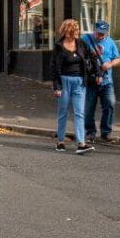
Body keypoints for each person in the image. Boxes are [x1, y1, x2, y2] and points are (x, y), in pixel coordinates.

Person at [51, 19, 97, 154]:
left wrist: (97, 72)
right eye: (75, 31)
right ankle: (60, 142)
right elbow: (53, 67)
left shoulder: (81, 44)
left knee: (79, 112)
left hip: (79, 81)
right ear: (68, 32)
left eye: (77, 30)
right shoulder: (59, 46)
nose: (77, 33)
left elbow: (93, 57)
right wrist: (57, 86)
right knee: (63, 112)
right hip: (64, 81)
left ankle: (81, 143)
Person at [81, 20, 120, 143]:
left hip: (106, 81)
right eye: (99, 33)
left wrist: (110, 64)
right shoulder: (85, 39)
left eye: (103, 34)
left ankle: (106, 133)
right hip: (90, 81)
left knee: (110, 104)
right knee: (88, 108)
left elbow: (117, 58)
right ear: (94, 30)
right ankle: (90, 133)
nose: (101, 36)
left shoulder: (110, 42)